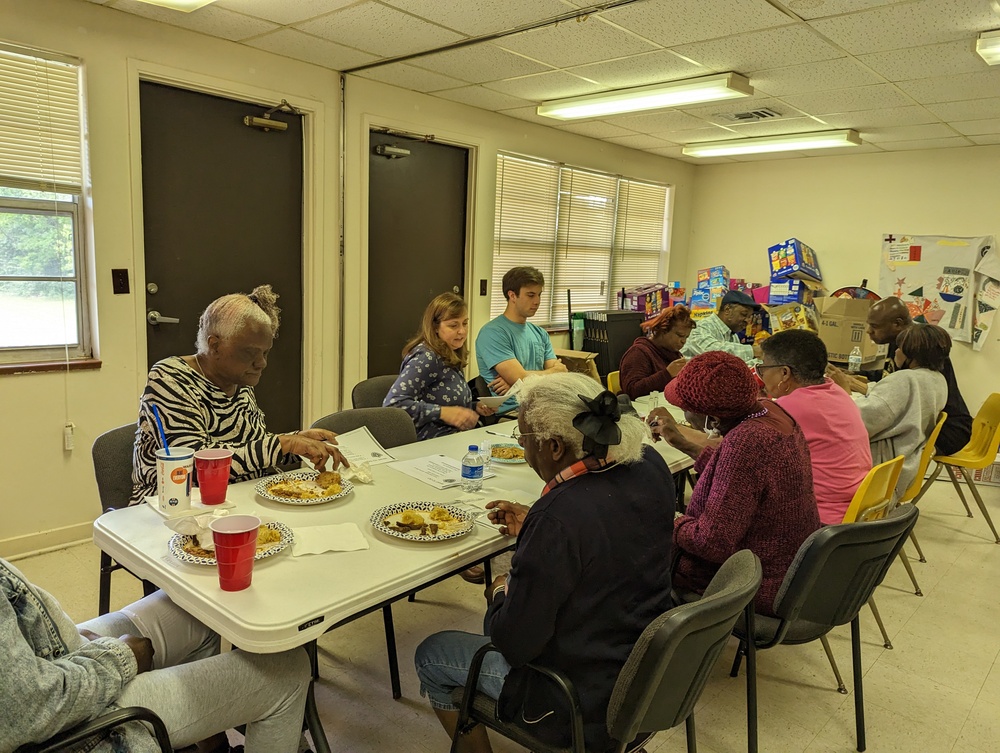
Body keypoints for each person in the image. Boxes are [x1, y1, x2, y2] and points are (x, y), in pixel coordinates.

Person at [414, 373, 675, 753]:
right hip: (645, 668)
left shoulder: (559, 517)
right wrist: (538, 530)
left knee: (432, 653)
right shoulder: (649, 464)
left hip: (576, 698)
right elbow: (608, 531)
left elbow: (514, 643)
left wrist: (500, 590)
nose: (523, 451)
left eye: (523, 440)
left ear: (554, 446)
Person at [1, 557, 310, 753]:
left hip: (57, 662)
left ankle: (212, 747)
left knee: (194, 611)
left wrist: (79, 639)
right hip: (72, 728)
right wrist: (120, 657)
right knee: (287, 669)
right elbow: (26, 709)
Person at [132, 285, 346, 503]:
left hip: (239, 498)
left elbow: (249, 449)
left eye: (265, 352)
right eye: (250, 353)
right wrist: (283, 444)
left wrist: (299, 441)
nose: (262, 363)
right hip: (176, 507)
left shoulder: (238, 380)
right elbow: (193, 468)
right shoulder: (169, 377)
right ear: (214, 345)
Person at [647, 351, 820, 616]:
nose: (682, 415)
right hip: (788, 566)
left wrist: (671, 518)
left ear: (710, 417)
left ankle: (653, 642)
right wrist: (681, 441)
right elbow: (740, 482)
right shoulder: (771, 412)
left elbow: (711, 543)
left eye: (684, 409)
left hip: (753, 581)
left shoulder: (746, 442)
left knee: (632, 543)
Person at [758, 330, 872, 525]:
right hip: (855, 510)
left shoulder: (790, 408)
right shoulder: (836, 391)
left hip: (821, 520)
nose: (761, 376)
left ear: (784, 373)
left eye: (763, 368)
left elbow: (740, 448)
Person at [834, 296, 972, 455]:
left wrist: (847, 390)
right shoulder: (907, 350)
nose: (868, 331)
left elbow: (870, 415)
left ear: (897, 324)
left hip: (947, 432)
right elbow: (889, 376)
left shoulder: (917, 357)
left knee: (848, 438)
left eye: (874, 326)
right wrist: (857, 375)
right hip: (921, 427)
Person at [835, 323, 949, 497]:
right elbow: (892, 402)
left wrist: (843, 390)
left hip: (883, 467)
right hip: (907, 460)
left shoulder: (905, 379)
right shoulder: (937, 379)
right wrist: (859, 386)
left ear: (912, 353)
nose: (896, 352)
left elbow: (859, 422)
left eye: (900, 348)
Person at [384, 293, 495, 441]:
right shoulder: (427, 357)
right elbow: (393, 406)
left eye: (465, 323)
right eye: (453, 325)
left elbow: (443, 398)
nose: (462, 331)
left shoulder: (450, 352)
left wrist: (474, 407)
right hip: (430, 445)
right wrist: (442, 412)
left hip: (452, 439)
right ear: (435, 327)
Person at [475, 266, 566, 412]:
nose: (537, 301)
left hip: (543, 407)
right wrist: (522, 379)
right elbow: (525, 377)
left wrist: (519, 382)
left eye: (539, 295)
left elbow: (559, 377)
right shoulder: (493, 332)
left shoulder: (540, 333)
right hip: (512, 413)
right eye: (531, 295)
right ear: (512, 296)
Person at [618, 305, 694, 400]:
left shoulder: (674, 354)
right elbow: (631, 391)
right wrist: (667, 374)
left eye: (686, 337)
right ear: (663, 330)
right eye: (680, 335)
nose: (683, 341)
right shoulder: (639, 353)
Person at [681, 290, 763, 365]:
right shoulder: (701, 327)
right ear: (727, 310)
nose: (747, 321)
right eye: (744, 314)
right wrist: (753, 350)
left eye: (749, 317)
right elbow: (713, 353)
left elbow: (736, 363)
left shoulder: (733, 336)